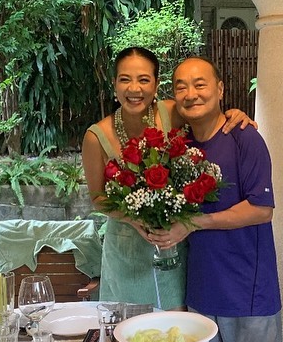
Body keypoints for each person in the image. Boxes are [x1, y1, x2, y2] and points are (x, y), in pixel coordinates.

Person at [81, 47, 255, 309]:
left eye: (144, 79)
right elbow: (98, 198)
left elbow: (208, 115)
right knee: (130, 325)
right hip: (126, 248)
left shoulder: (172, 113)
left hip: (173, 241)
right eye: (125, 79)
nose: (134, 89)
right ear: (114, 83)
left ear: (156, 84)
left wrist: (235, 114)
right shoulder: (96, 137)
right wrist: (134, 218)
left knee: (178, 321)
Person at [152, 56, 282, 342]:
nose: (191, 94)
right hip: (201, 286)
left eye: (200, 84)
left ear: (220, 89)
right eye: (181, 87)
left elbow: (261, 209)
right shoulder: (179, 146)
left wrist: (193, 223)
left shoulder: (244, 137)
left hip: (246, 288)